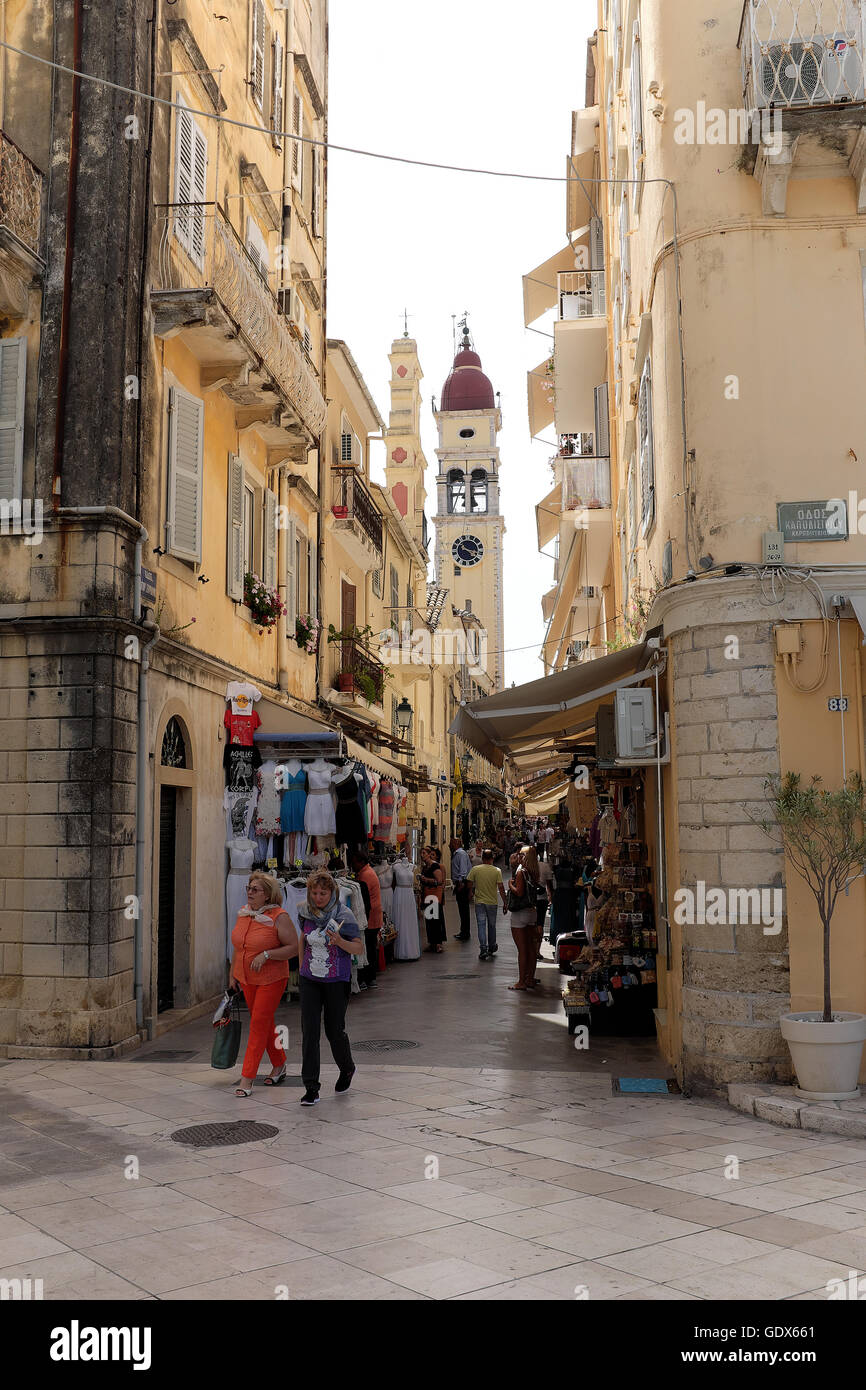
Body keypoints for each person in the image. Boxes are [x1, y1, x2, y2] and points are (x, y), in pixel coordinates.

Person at [295, 869, 364, 1105]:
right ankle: (311, 1088)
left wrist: (340, 941)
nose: (318, 898)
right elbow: (302, 940)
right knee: (309, 1032)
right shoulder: (304, 912)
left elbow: (358, 948)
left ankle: (347, 1068)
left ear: (332, 893)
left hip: (336, 979)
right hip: (309, 978)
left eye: (323, 893)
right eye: (314, 893)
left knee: (334, 1031)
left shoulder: (344, 915)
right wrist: (300, 967)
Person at [229, 872, 296, 1096]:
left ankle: (247, 1078)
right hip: (246, 978)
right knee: (265, 1022)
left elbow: (293, 948)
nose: (249, 892)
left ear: (267, 895)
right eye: (248, 888)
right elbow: (239, 947)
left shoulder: (280, 916)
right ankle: (279, 1063)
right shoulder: (244, 913)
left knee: (258, 1024)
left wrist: (266, 954)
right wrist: (233, 974)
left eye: (255, 889)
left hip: (272, 978)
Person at [508, 846, 541, 991]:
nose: (518, 856)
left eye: (521, 854)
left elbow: (519, 893)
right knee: (531, 948)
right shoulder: (534, 871)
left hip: (520, 913)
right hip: (531, 912)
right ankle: (530, 978)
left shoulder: (521, 872)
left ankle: (521, 981)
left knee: (522, 950)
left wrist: (510, 885)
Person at [467, 849, 508, 961]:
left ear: (482, 858)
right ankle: (492, 946)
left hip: (479, 902)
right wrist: (505, 902)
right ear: (492, 858)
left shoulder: (475, 869)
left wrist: (470, 893)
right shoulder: (497, 871)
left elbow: (469, 883)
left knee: (481, 925)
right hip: (492, 902)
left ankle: (483, 949)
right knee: (491, 925)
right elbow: (501, 887)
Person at [351, 851, 382, 990]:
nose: (353, 865)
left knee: (368, 947)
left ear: (361, 862)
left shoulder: (365, 875)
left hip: (370, 916)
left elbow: (363, 899)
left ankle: (368, 978)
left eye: (355, 862)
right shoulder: (367, 872)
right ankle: (370, 978)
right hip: (373, 915)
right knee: (369, 946)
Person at [419, 846, 446, 953]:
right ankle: (432, 942)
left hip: (434, 896)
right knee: (429, 920)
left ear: (429, 854)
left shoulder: (435, 866)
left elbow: (439, 881)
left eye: (424, 853)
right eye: (421, 853)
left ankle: (438, 943)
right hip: (427, 895)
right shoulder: (425, 867)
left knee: (435, 920)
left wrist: (426, 880)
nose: (422, 855)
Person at [450, 837, 472, 941]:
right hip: (460, 884)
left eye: (451, 843)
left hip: (462, 885)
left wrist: (460, 884)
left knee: (464, 910)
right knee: (462, 910)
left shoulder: (461, 854)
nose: (449, 845)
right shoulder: (458, 854)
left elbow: (463, 871)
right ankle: (464, 931)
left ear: (456, 844)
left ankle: (465, 932)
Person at [536, 850, 554, 958]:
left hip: (529, 900)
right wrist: (551, 896)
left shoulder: (525, 866)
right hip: (542, 899)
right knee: (540, 924)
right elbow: (549, 884)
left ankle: (531, 949)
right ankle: (537, 950)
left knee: (530, 925)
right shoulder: (545, 866)